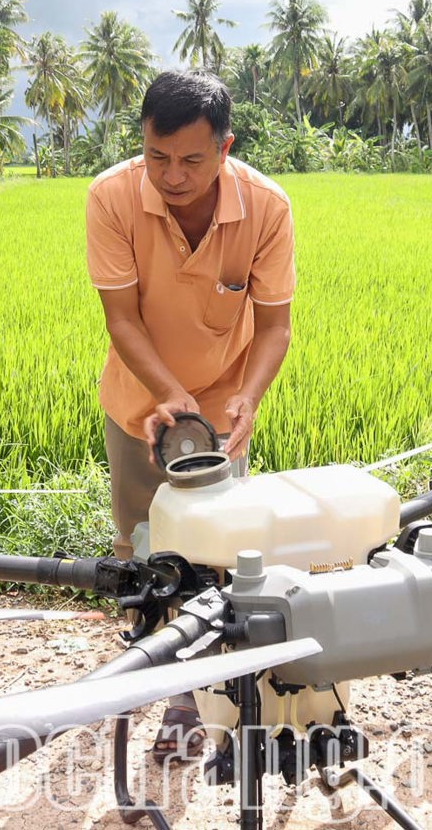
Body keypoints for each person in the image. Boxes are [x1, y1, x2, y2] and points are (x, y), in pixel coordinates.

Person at [86, 69, 296, 761]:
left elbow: (273, 328)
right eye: (156, 156)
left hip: (222, 407)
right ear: (141, 143)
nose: (172, 176)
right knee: (144, 546)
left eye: (192, 160)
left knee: (215, 552)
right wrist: (168, 397)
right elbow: (122, 318)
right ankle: (153, 666)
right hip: (137, 400)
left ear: (226, 146)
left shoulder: (266, 207)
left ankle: (199, 697)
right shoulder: (111, 198)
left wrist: (248, 398)